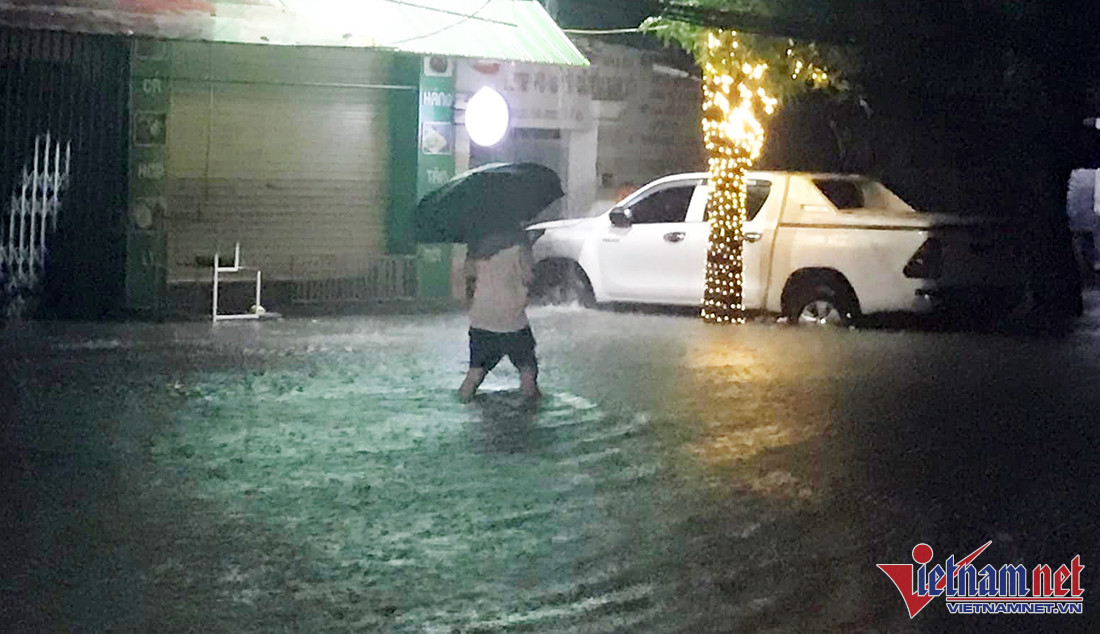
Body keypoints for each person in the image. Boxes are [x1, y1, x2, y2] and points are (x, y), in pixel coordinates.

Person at [458, 227, 541, 402]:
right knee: (527, 369)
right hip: (512, 318)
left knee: (475, 371)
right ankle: (529, 407)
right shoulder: (519, 244)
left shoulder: (476, 247)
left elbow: (469, 280)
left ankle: (464, 399)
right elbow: (529, 278)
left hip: (481, 317)